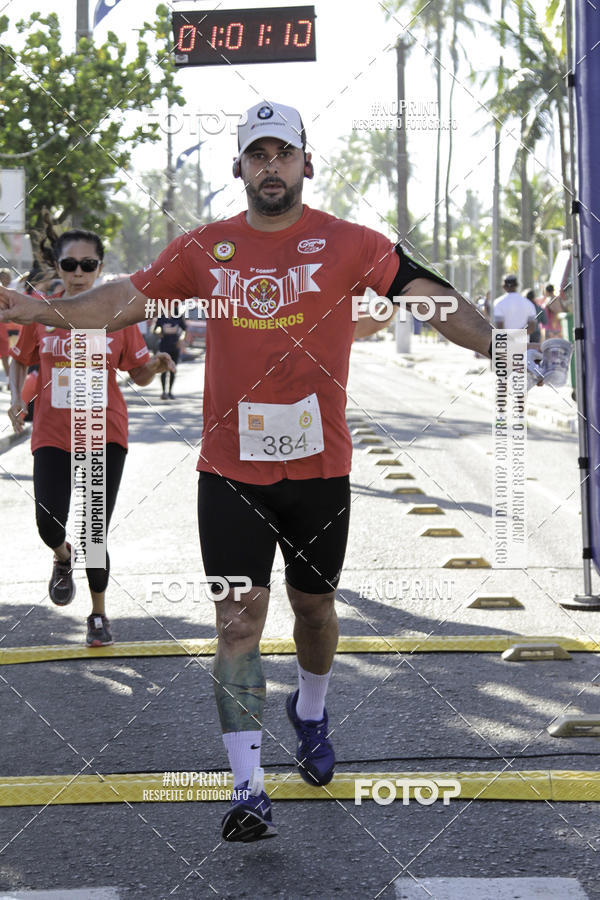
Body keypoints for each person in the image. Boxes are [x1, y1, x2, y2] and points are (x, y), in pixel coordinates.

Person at [0, 101, 494, 842]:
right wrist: (39, 311)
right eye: (256, 155)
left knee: (314, 612)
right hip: (230, 472)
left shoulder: (351, 242)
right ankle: (248, 787)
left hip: (319, 470)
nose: (271, 167)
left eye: (283, 153)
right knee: (237, 621)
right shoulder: (204, 248)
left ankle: (313, 710)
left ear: (305, 163)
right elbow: (120, 299)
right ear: (239, 167)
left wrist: (503, 346)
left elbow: (432, 300)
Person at [7, 229, 174, 647]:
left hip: (104, 433)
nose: (79, 273)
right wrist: (15, 400)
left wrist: (155, 364)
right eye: (69, 265)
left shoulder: (118, 315)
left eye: (88, 265)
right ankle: (62, 557)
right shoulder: (40, 311)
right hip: (51, 432)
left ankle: (98, 614)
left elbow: (137, 373)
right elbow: (19, 360)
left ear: (99, 268)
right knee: (49, 525)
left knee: (95, 530)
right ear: (57, 267)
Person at [154, 313, 186, 399]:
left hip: (175, 346)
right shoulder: (161, 317)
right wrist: (160, 332)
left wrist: (181, 339)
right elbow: (155, 329)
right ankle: (163, 392)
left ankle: (170, 392)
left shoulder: (178, 317)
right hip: (164, 347)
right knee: (163, 369)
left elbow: (184, 330)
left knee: (173, 369)